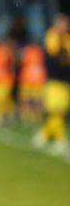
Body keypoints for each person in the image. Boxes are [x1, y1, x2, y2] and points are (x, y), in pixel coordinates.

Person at [34, 13, 70, 155]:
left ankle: (43, 135)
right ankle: (60, 139)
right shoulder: (51, 36)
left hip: (66, 80)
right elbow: (56, 56)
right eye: (62, 23)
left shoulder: (67, 39)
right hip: (54, 79)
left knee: (60, 111)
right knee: (56, 110)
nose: (64, 26)